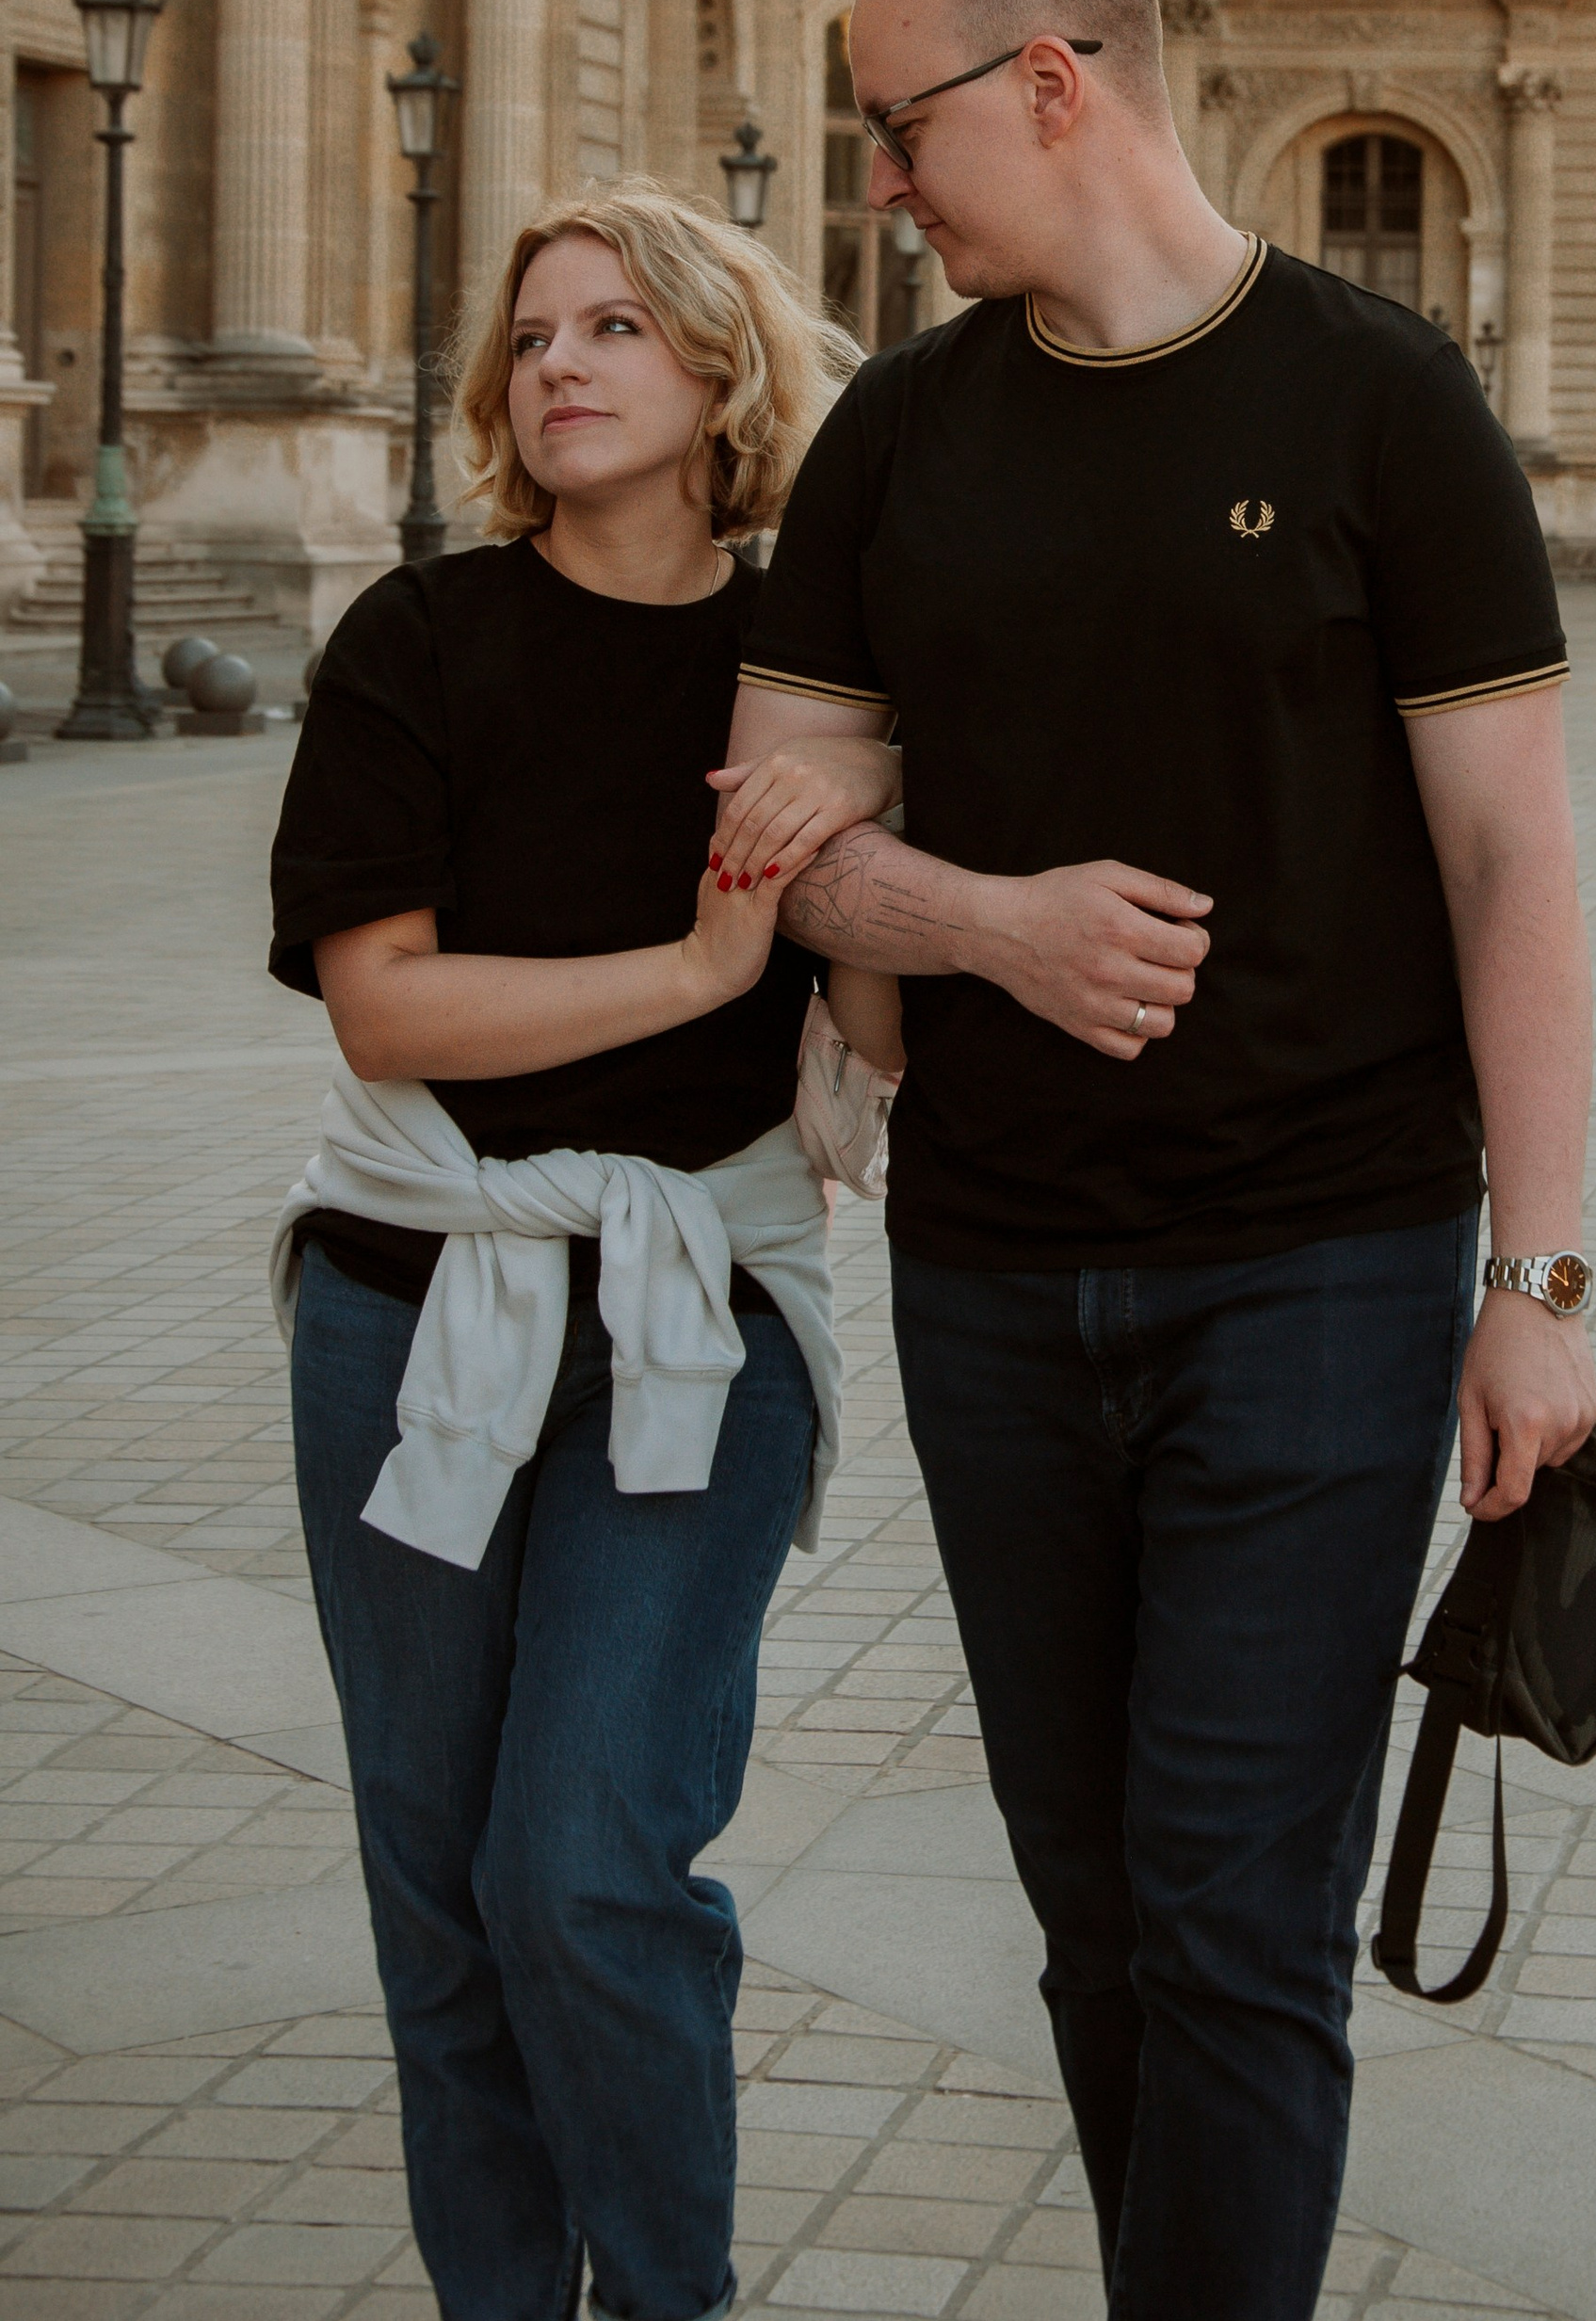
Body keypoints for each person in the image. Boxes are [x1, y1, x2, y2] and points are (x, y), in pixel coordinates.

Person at [713, 0, 1596, 2321]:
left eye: (901, 128)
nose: (881, 186)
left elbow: (1514, 859)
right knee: (1097, 1918)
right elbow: (776, 845)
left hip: (1318, 1267)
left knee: (1229, 1907)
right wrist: (988, 922)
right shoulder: (897, 437)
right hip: (991, 1275)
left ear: (1053, 82)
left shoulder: (1376, 398)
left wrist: (1533, 1286)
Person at [267, 183, 898, 2321]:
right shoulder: (415, 637)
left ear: (721, 374)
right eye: (534, 331)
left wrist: (853, 924)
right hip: (404, 1297)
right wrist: (704, 957)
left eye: (616, 324)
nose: (559, 363)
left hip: (695, 1318)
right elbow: (388, 1006)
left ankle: (664, 2295)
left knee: (585, 1866)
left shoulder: (817, 653)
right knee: (442, 1895)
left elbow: (882, 1003)